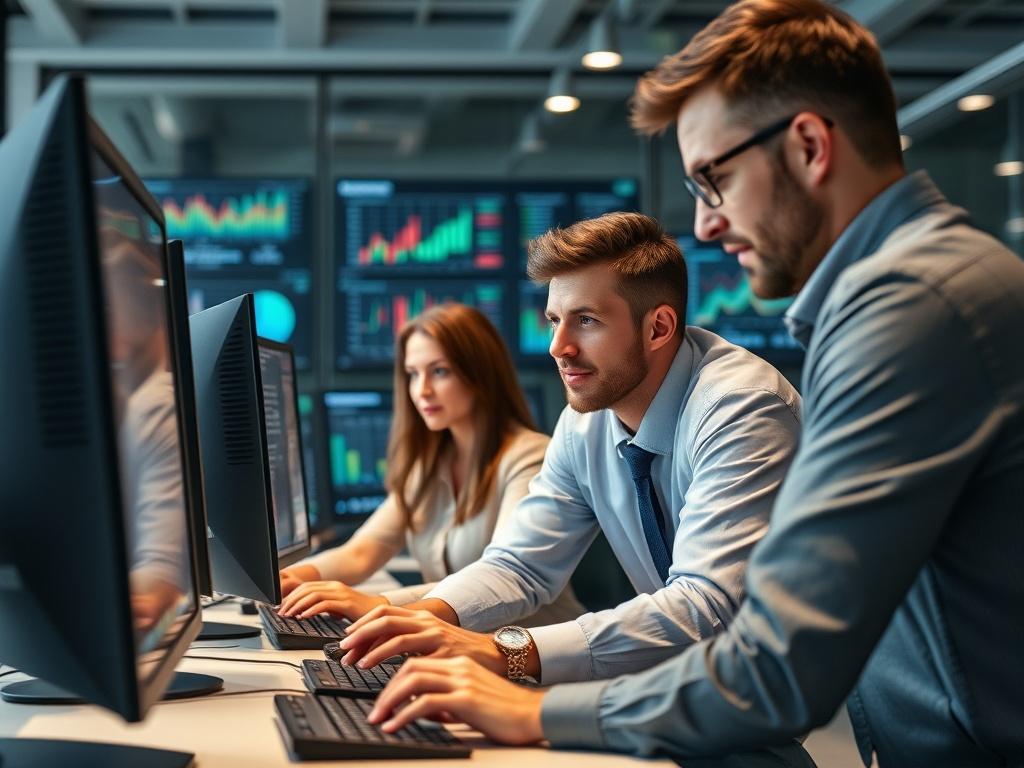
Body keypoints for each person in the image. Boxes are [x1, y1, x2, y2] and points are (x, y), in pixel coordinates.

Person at [355, 2, 1024, 766]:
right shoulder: (917, 288)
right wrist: (430, 625)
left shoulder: (911, 308)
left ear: (807, 145)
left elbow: (774, 661)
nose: (706, 225)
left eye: (716, 179)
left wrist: (526, 696)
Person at [338, 211, 802, 690]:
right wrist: (424, 619)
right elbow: (520, 564)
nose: (558, 347)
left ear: (659, 328)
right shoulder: (585, 422)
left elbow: (706, 606)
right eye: (555, 320)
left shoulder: (741, 410)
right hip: (673, 685)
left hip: (758, 697)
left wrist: (502, 651)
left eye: (586, 320)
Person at [277, 303, 584, 626]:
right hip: (462, 653)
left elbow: (500, 577)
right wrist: (292, 578)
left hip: (535, 661)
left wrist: (375, 604)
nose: (422, 390)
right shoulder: (428, 464)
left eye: (439, 371)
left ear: (479, 374)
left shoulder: (530, 458)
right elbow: (362, 552)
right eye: (413, 374)